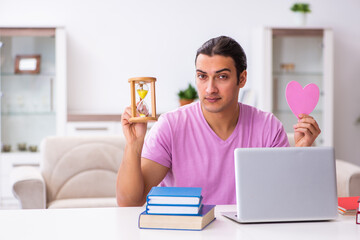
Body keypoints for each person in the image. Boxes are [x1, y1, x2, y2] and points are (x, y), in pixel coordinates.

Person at [116, 36, 321, 206]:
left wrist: (299, 153)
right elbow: (129, 202)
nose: (210, 89)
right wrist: (134, 145)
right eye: (202, 76)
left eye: (222, 77)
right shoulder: (170, 125)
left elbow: (284, 199)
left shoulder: (268, 127)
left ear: (242, 79)